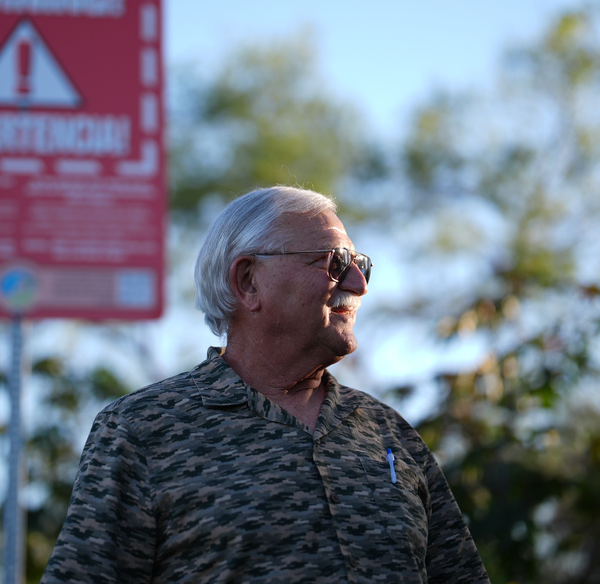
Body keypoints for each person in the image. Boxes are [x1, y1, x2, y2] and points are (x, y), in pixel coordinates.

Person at [41, 186, 489, 583]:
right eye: (335, 263)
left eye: (361, 265)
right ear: (248, 281)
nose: (358, 285)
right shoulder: (140, 430)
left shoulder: (389, 432)